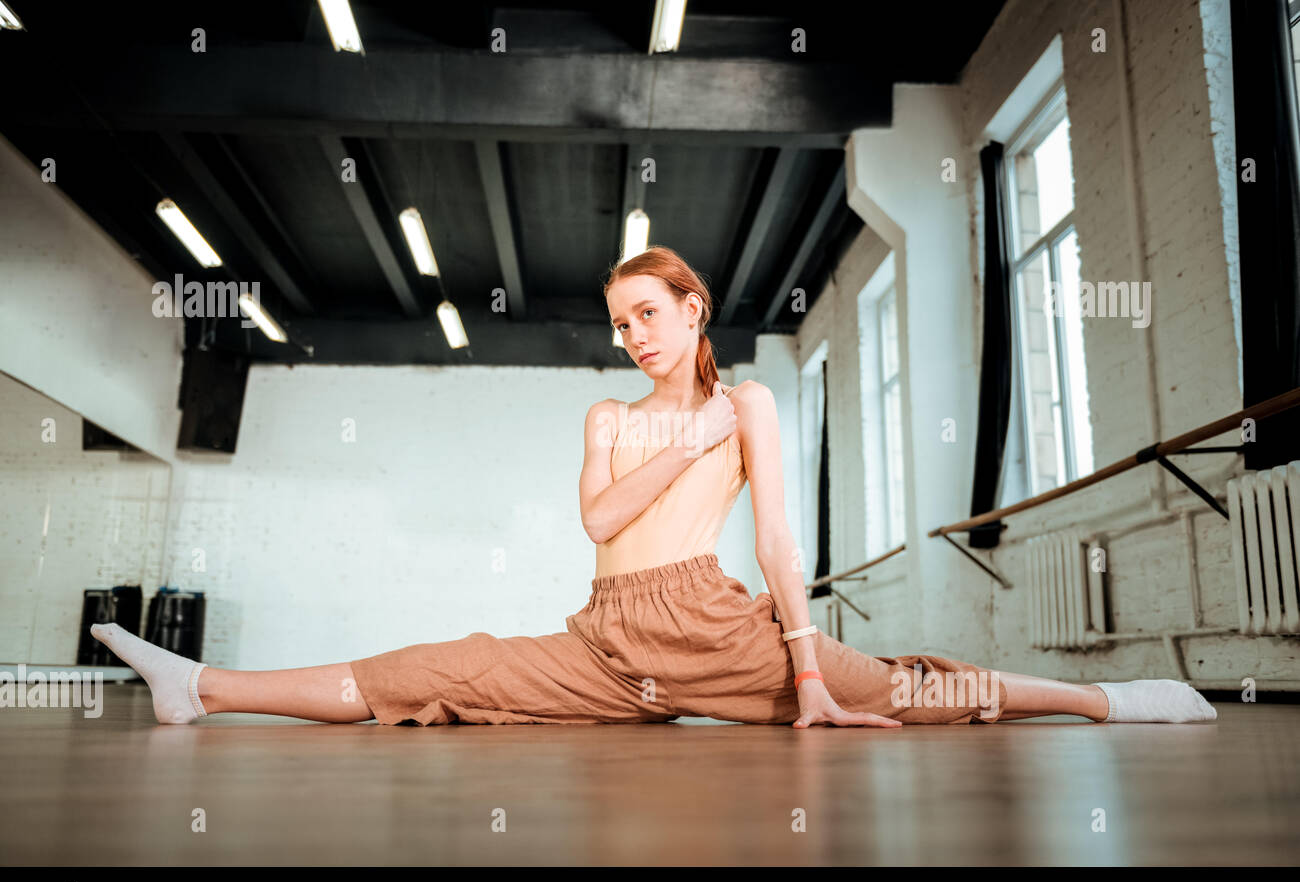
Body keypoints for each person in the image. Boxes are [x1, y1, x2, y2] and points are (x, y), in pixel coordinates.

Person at [90, 246, 1218, 728]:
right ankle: (204, 685)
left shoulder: (753, 405)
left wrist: (805, 666)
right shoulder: (613, 417)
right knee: (443, 661)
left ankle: (1109, 698)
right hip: (603, 637)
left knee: (900, 691)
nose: (631, 334)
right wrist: (678, 445)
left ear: (692, 310)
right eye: (619, 320)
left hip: (714, 622)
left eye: (648, 314)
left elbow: (777, 540)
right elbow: (595, 519)